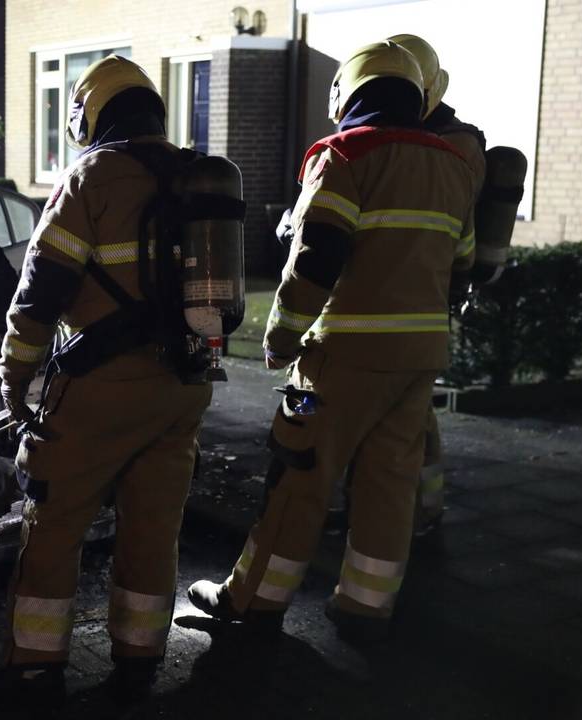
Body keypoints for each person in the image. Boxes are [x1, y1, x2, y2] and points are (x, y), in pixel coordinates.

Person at [185, 41, 477, 640]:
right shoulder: (452, 164)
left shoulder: (344, 155)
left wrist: (282, 337)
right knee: (389, 482)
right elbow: (464, 263)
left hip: (340, 359)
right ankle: (365, 605)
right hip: (419, 361)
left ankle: (252, 601)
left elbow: (316, 256)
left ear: (346, 93)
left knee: (299, 478)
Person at [0, 55, 215, 707]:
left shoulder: (93, 176)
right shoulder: (198, 176)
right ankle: (140, 659)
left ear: (92, 112)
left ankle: (33, 668)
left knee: (52, 524)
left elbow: (40, 293)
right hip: (185, 385)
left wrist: (14, 374)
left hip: (100, 388)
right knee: (153, 526)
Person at [387, 34, 488, 537]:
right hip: (413, 302)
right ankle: (415, 508)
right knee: (411, 413)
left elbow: (452, 229)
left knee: (410, 417)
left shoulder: (455, 145)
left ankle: (418, 511)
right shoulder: (445, 139)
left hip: (415, 296)